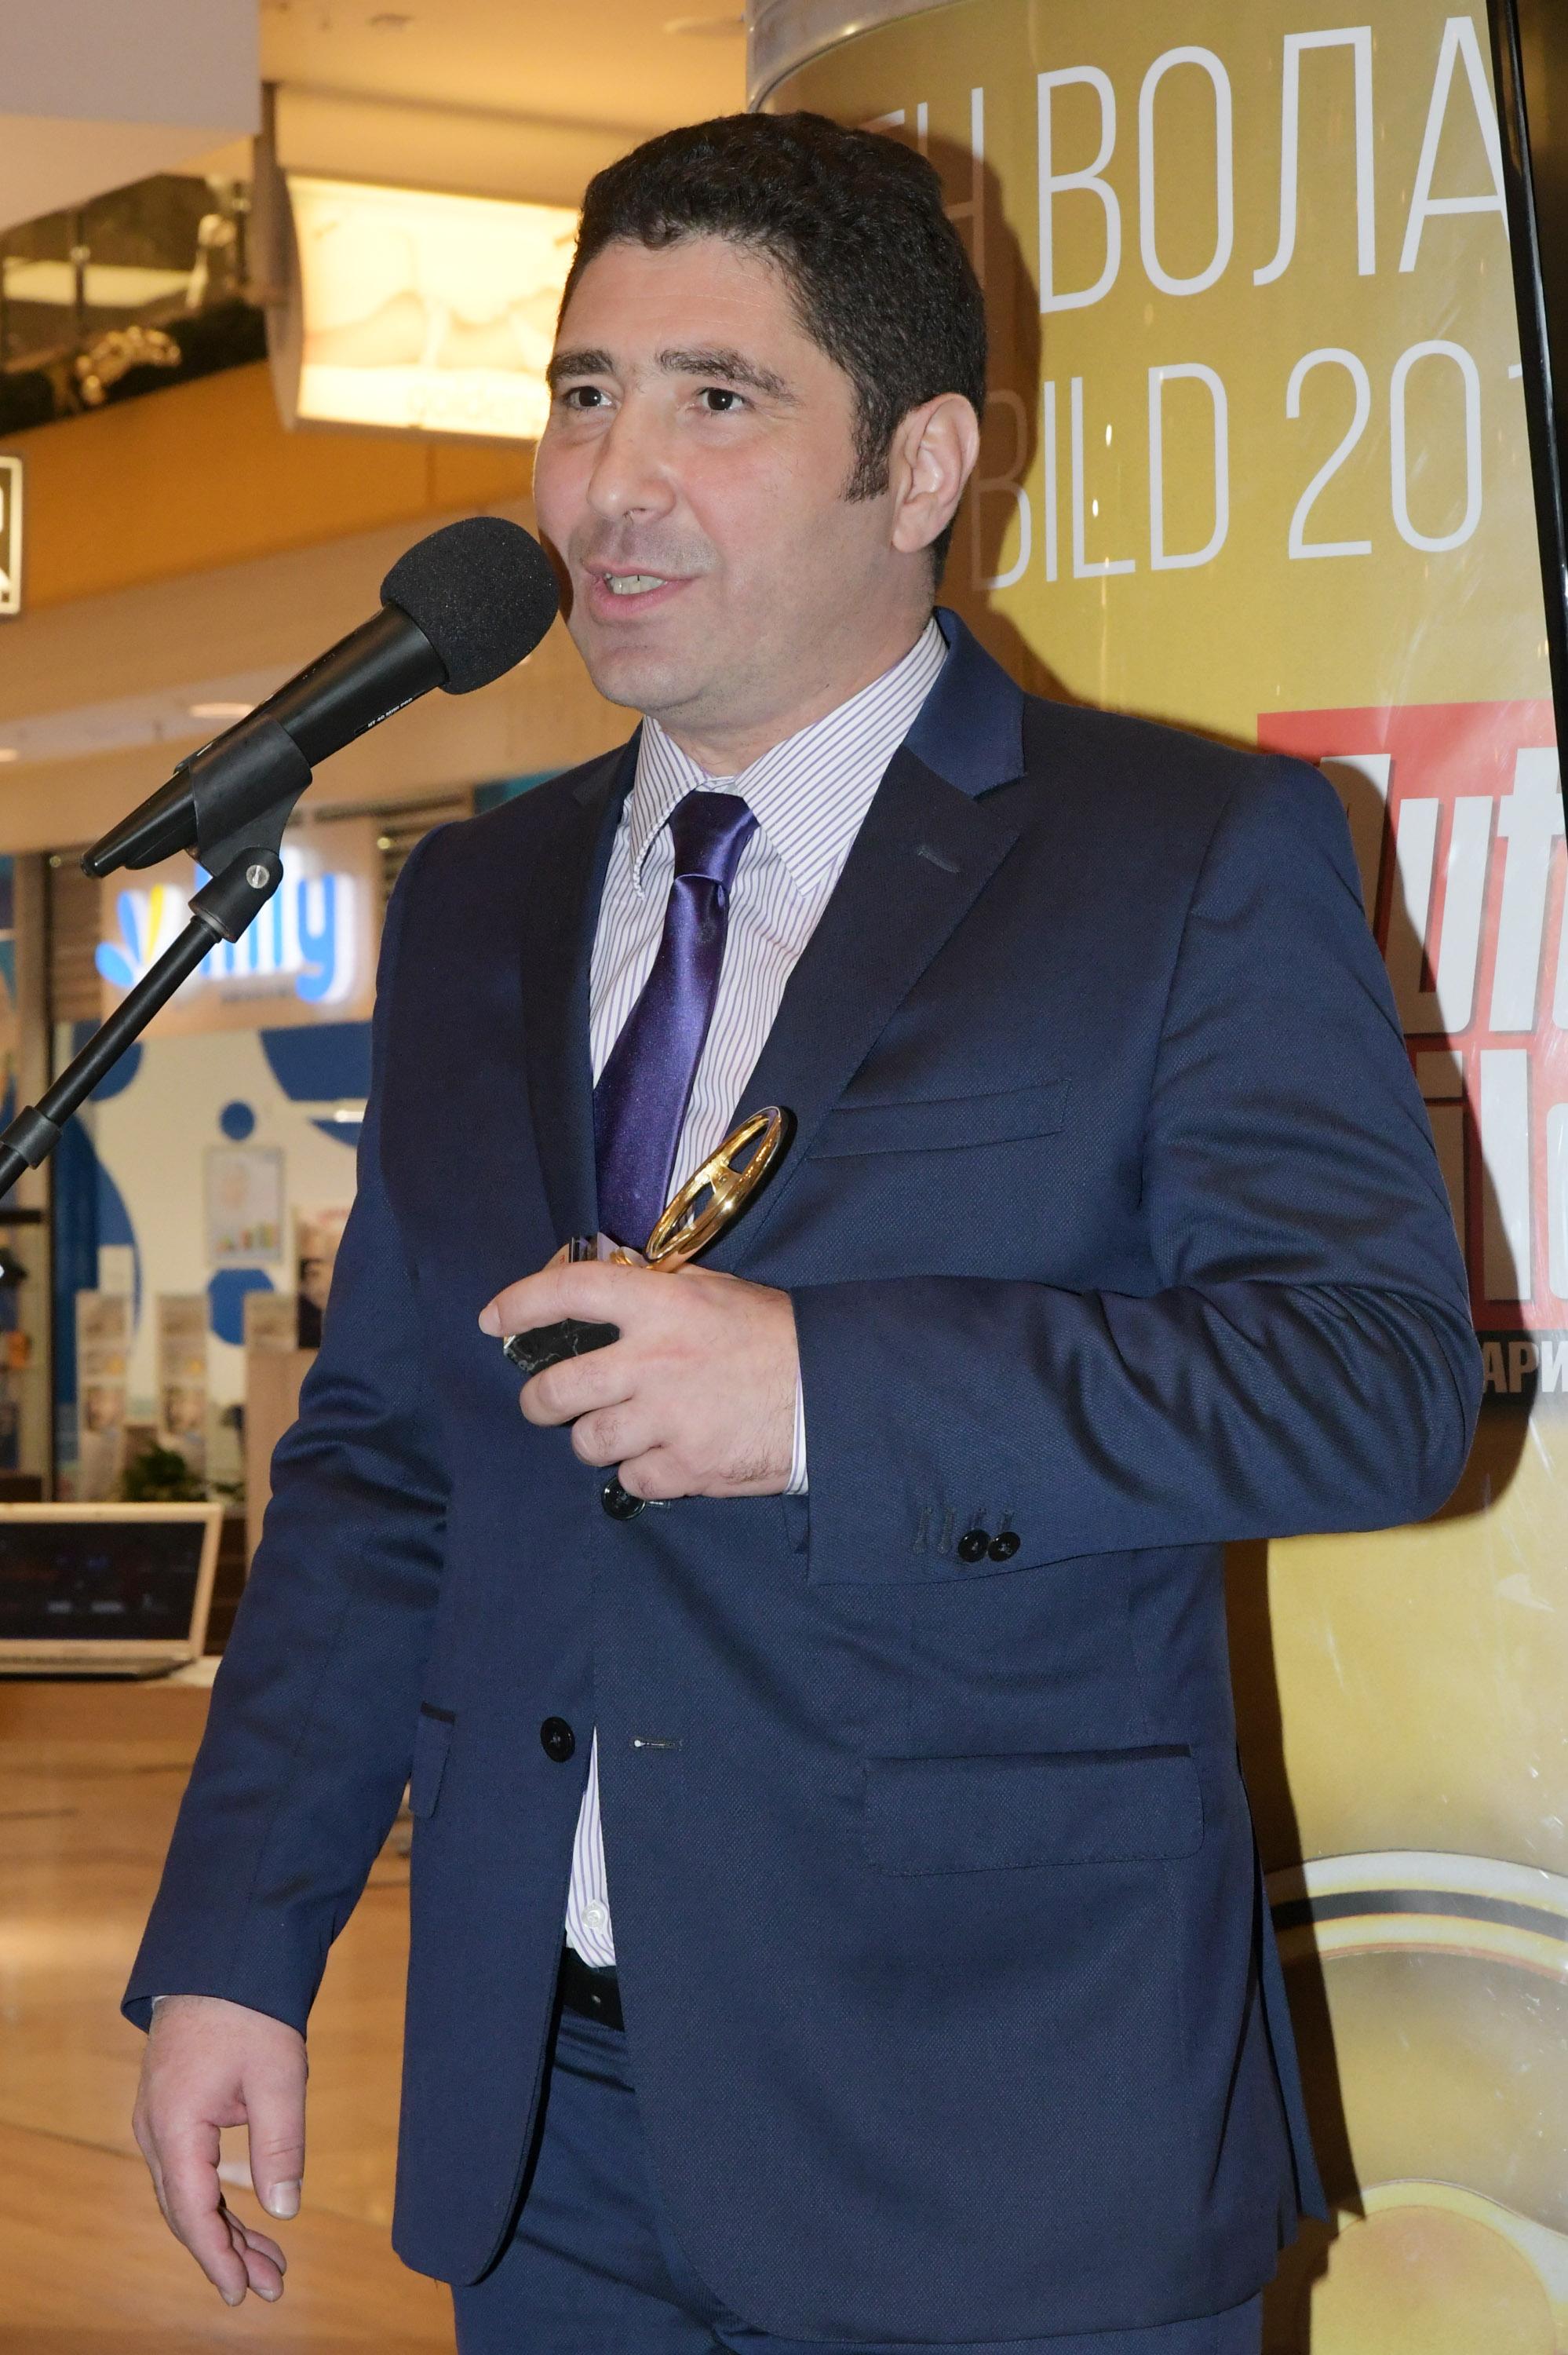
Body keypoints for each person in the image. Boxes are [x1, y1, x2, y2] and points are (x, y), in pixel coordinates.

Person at [125, 111, 1481, 2355]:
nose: (611, 483)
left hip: (1002, 2135)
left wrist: (824, 1397)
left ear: (922, 463)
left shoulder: (1189, 853)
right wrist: (233, 1953)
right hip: (547, 2149)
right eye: (584, 393)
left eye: (717, 398)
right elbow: (384, 1469)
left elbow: (1375, 1382)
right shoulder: (478, 904)